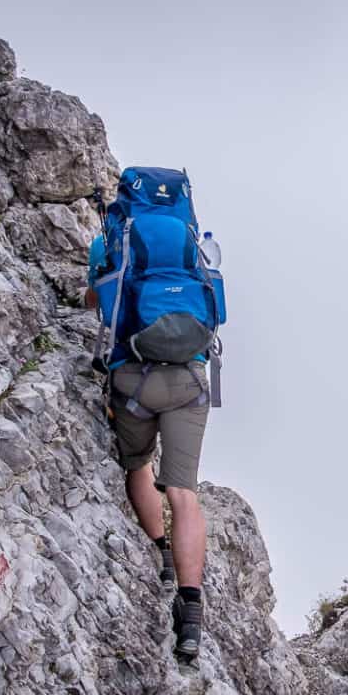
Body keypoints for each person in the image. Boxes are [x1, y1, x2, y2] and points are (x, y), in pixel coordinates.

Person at [87, 232, 209, 662]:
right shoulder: (189, 245)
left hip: (132, 378)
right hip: (188, 379)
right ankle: (190, 613)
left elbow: (96, 301)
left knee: (138, 465)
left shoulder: (107, 243)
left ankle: (162, 554)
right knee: (183, 492)